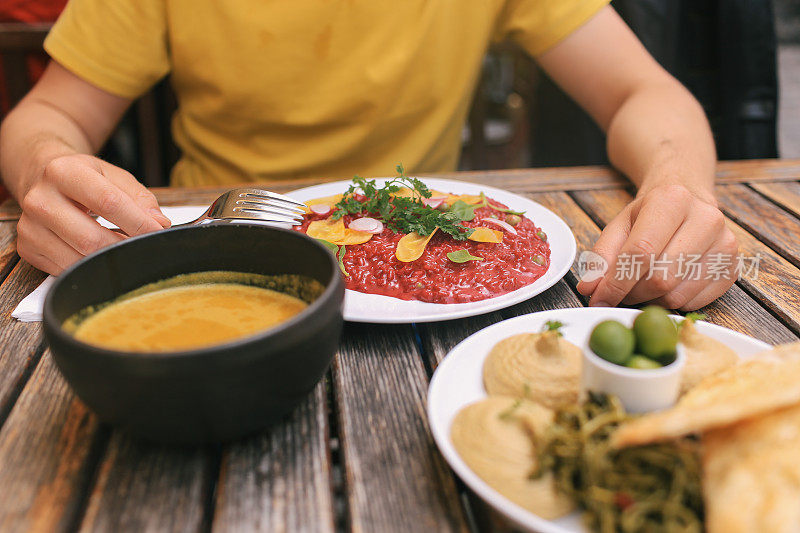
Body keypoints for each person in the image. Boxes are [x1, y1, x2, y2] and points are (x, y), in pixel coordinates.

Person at [0, 0, 738, 311]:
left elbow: (643, 92)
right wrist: (43, 168)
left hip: (438, 300)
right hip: (217, 260)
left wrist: (680, 188)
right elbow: (50, 113)